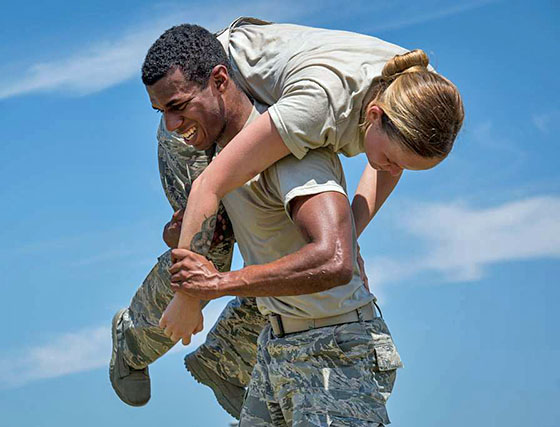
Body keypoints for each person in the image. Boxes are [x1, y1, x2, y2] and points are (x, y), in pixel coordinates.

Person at [151, 35, 403, 425]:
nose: (170, 124)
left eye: (178, 107)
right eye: (160, 111)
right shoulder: (228, 155)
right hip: (278, 345)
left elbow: (335, 260)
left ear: (220, 81)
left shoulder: (291, 150)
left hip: (332, 352)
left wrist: (212, 285)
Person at [168, 18, 465, 343]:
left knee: (298, 252)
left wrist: (349, 236)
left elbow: (385, 171)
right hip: (199, 94)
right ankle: (135, 338)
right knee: (212, 238)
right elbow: (209, 184)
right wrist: (188, 296)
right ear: (375, 115)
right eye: (394, 161)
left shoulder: (423, 92)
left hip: (270, 92)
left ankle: (230, 357)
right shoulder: (316, 107)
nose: (393, 170)